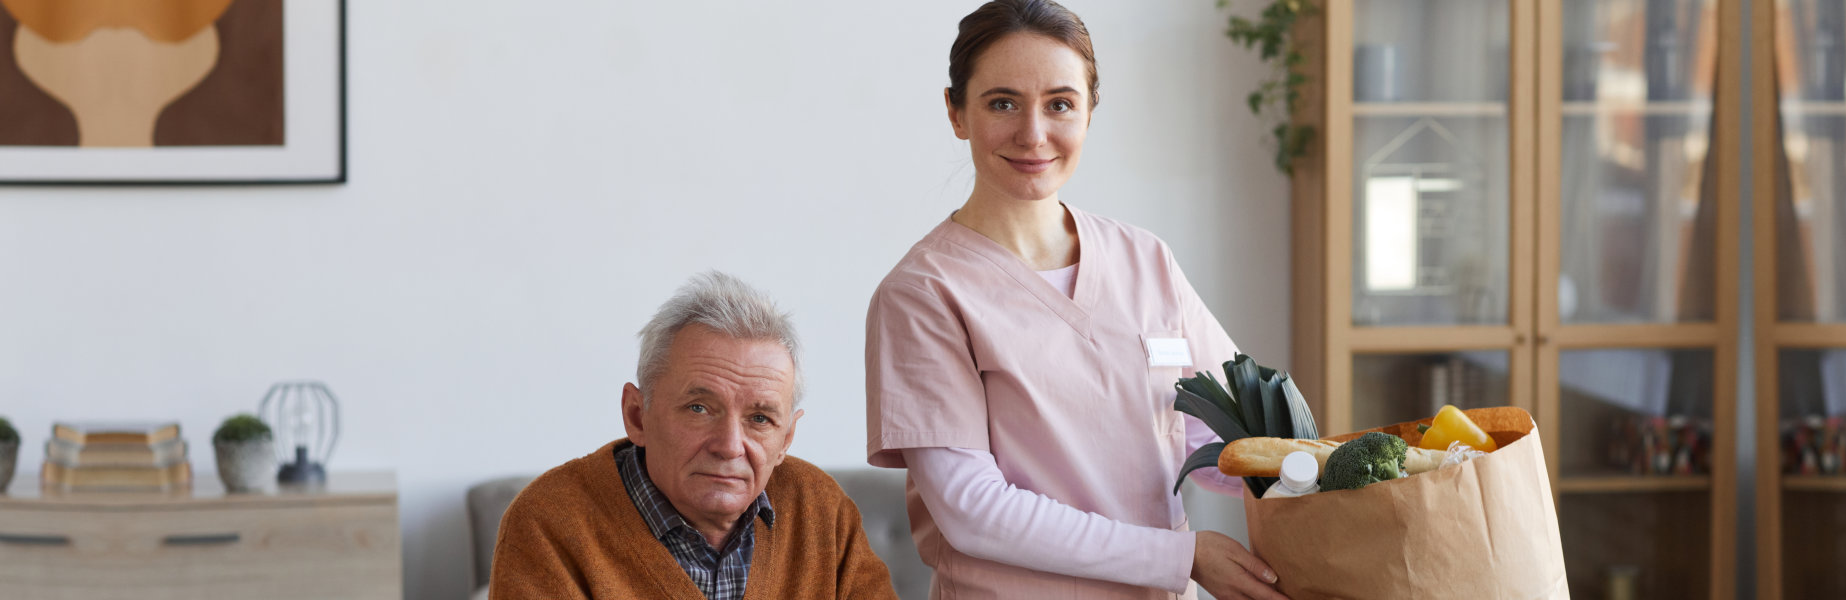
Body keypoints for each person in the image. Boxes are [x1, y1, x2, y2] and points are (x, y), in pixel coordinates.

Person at [863, 1, 1293, 599]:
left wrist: (1335, 475)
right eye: (1002, 103)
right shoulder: (923, 294)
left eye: (1059, 104)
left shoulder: (1146, 260)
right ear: (956, 112)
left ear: (1089, 110)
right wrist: (1182, 556)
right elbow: (972, 511)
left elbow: (1236, 445)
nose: (1033, 134)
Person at [494, 271, 897, 600]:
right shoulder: (549, 523)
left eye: (759, 418)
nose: (729, 446)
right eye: (699, 409)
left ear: (786, 440)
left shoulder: (822, 511)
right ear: (637, 415)